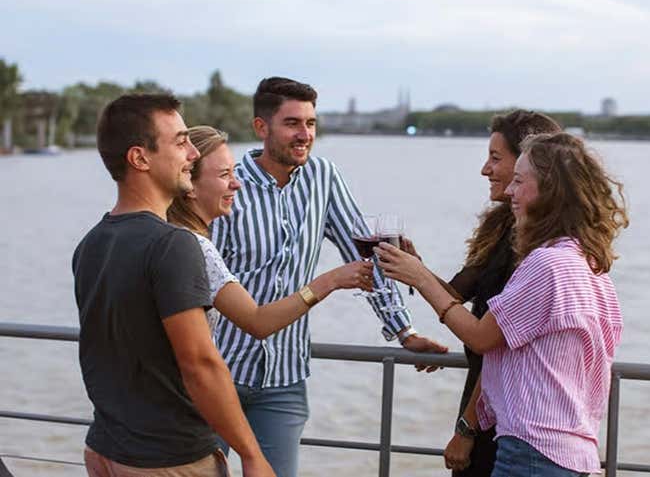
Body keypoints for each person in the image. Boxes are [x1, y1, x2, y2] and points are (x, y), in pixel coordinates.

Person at [210, 77, 447, 477]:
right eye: (292, 124)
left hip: (282, 380)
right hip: (217, 373)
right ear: (261, 128)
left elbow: (365, 254)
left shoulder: (324, 177)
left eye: (311, 124)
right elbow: (203, 280)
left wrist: (403, 331)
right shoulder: (227, 183)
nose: (305, 135)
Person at [377, 132, 628, 477]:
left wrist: (420, 277)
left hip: (533, 453)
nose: (509, 190)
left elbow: (482, 338)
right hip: (572, 452)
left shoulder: (547, 264)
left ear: (549, 192)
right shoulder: (591, 265)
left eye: (520, 181)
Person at [72, 94, 274, 477]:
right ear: (140, 158)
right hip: (168, 459)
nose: (193, 154)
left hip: (104, 449)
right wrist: (252, 454)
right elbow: (200, 363)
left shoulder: (92, 243)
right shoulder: (173, 244)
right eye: (180, 142)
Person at [428, 110, 562, 476]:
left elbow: (497, 345)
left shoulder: (536, 250)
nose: (485, 170)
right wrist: (408, 265)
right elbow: (454, 294)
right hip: (483, 402)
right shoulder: (502, 225)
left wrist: (467, 428)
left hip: (498, 417)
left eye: (495, 158)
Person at [167, 125, 374, 338]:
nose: (236, 184)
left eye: (234, 171)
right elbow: (258, 322)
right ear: (189, 185)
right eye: (224, 174)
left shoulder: (168, 235)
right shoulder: (196, 247)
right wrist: (332, 280)